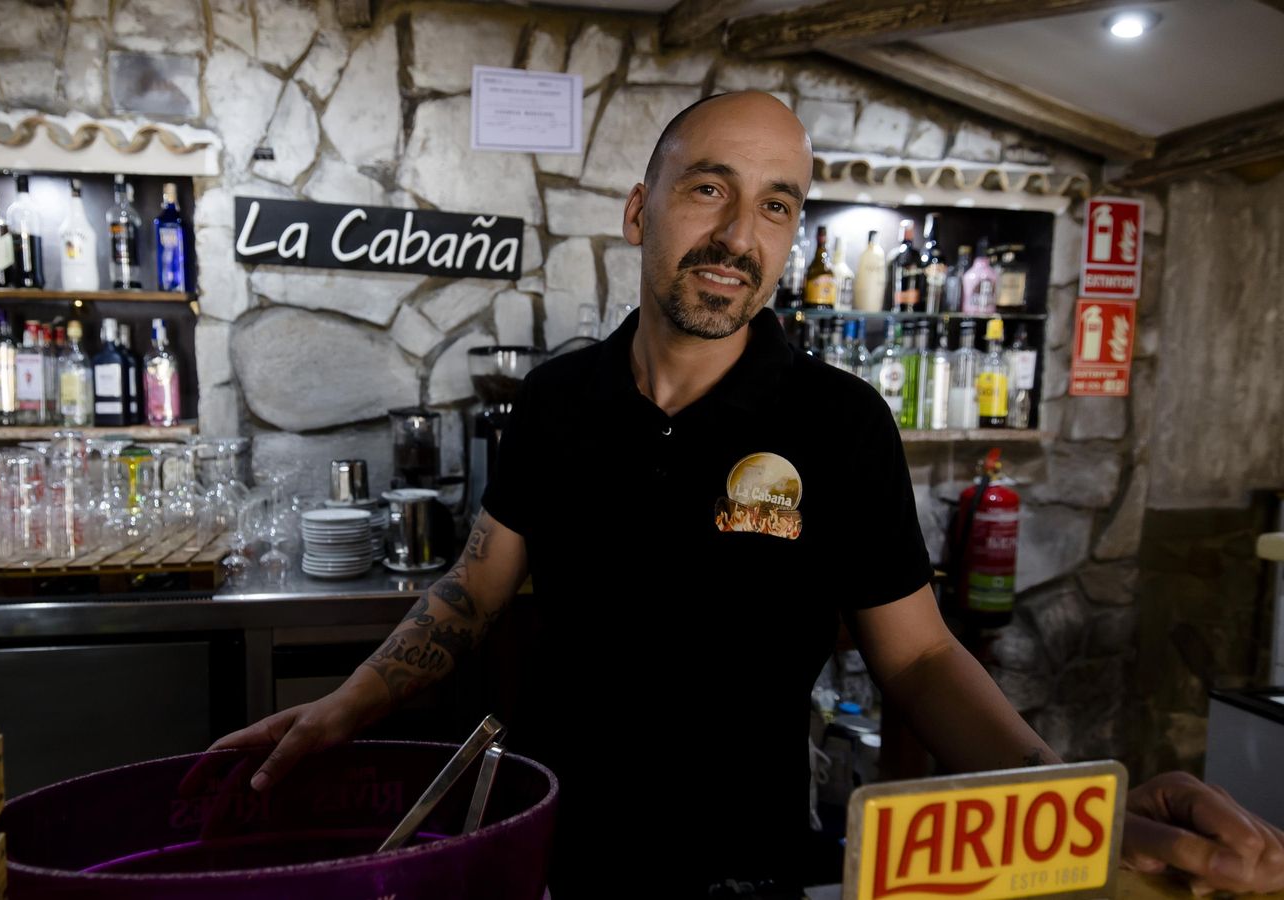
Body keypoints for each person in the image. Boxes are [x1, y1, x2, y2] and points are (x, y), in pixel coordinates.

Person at [210, 91, 1284, 895]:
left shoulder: (837, 422)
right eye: (709, 188)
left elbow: (917, 657)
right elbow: (476, 587)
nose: (737, 234)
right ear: (641, 211)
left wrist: (1076, 809)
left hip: (747, 865)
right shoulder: (555, 401)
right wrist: (343, 706)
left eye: (776, 206)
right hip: (550, 849)